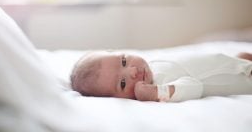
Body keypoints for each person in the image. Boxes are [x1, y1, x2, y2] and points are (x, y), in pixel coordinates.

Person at [70, 51, 252, 102]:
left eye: (124, 61)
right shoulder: (159, 86)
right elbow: (194, 86)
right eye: (123, 83)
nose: (133, 71)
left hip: (228, 63)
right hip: (242, 78)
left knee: (243, 55)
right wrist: (158, 93)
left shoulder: (152, 67)